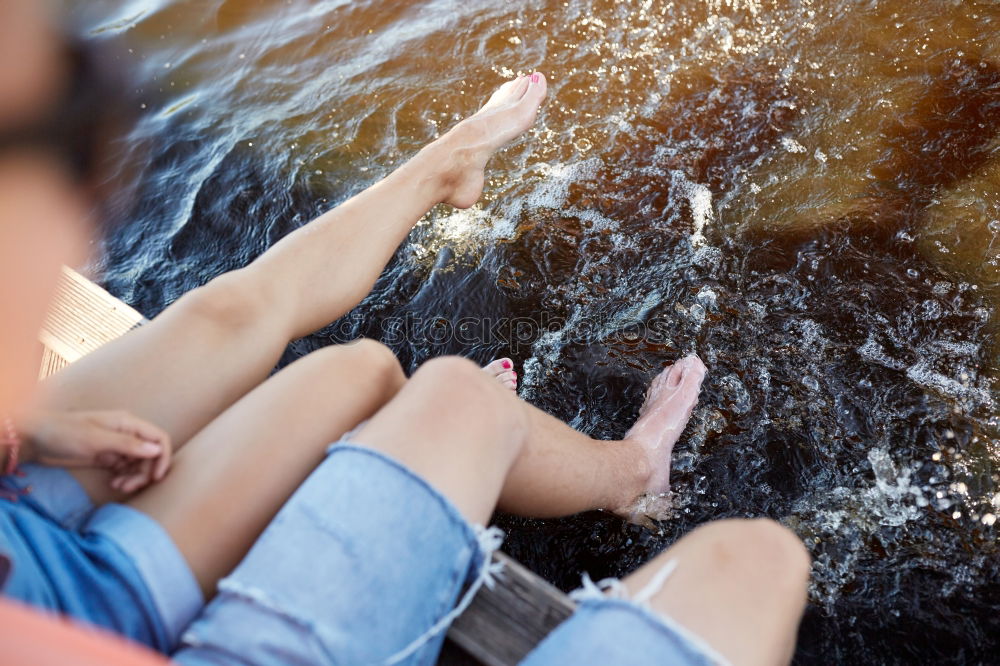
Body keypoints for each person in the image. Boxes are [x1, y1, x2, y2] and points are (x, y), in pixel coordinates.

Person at [0, 2, 811, 664]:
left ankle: (445, 167)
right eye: (73, 133)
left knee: (342, 362)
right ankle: (627, 472)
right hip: (98, 612)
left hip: (25, 538)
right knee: (758, 565)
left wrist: (29, 427)